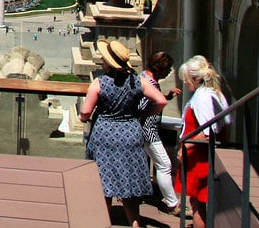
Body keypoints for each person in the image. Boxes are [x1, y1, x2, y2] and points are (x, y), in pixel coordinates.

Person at [79, 39, 167, 228]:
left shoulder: (99, 83)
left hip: (104, 135)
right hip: (131, 132)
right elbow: (161, 101)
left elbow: (85, 112)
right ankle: (135, 223)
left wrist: (83, 118)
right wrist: (142, 113)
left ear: (108, 62)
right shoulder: (138, 81)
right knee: (129, 185)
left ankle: (101, 222)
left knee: (103, 184)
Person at [175, 55, 230, 228]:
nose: (184, 83)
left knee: (198, 204)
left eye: (186, 79)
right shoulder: (213, 93)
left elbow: (207, 132)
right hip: (203, 156)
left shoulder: (203, 98)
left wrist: (185, 146)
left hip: (200, 158)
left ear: (196, 79)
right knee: (199, 202)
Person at [139, 51, 182, 215]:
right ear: (160, 69)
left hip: (144, 131)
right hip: (149, 131)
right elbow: (143, 106)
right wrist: (152, 111)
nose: (170, 72)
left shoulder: (144, 77)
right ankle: (172, 204)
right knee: (164, 165)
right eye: (168, 68)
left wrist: (167, 97)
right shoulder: (150, 83)